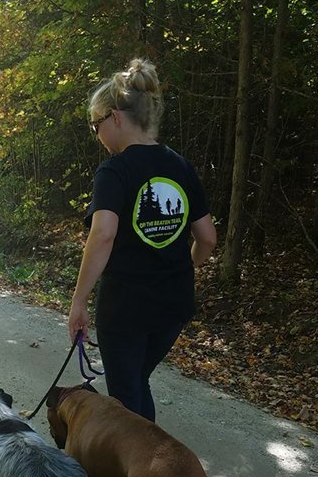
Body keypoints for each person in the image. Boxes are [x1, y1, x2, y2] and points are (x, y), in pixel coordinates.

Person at [67, 58, 217, 422]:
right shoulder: (180, 166)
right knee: (136, 383)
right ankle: (151, 467)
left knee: (125, 400)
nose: (97, 134)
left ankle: (144, 472)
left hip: (127, 308)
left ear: (115, 118)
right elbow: (208, 238)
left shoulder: (115, 170)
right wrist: (182, 268)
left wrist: (79, 301)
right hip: (174, 304)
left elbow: (103, 236)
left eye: (95, 125)